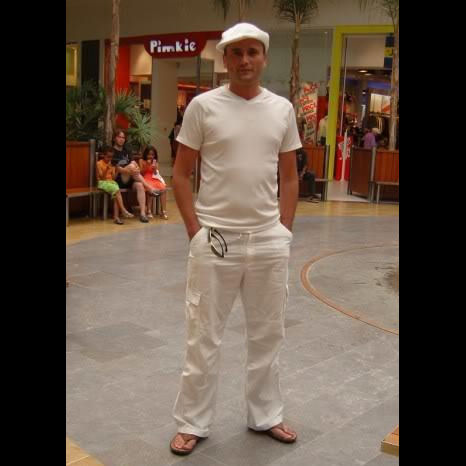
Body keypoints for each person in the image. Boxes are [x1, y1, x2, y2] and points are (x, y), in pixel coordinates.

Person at [170, 22, 300, 456]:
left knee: (268, 334)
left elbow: (289, 176)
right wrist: (196, 232)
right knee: (203, 336)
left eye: (252, 52)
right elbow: (181, 174)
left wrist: (283, 230)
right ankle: (192, 422)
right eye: (236, 53)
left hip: (267, 240)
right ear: (225, 59)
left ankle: (266, 414)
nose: (245, 60)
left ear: (263, 57)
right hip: (214, 239)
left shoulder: (281, 109)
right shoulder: (203, 107)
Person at [111, 129, 157, 223]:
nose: (121, 139)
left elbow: (133, 162)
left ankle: (142, 214)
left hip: (131, 177)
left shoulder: (126, 151)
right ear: (115, 138)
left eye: (123, 137)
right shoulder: (112, 151)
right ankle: (149, 187)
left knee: (139, 185)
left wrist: (135, 168)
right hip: (119, 178)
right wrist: (129, 170)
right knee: (132, 166)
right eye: (119, 137)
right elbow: (117, 169)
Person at [96, 146, 134, 224]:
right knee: (116, 190)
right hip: (102, 182)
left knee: (116, 193)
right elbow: (102, 177)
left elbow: (113, 178)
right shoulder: (99, 163)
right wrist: (107, 169)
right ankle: (123, 210)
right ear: (103, 155)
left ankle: (117, 217)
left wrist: (117, 170)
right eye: (108, 157)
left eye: (111, 157)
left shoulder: (112, 164)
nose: (109, 159)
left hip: (111, 183)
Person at [139, 145, 169, 219]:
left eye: (152, 154)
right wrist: (147, 165)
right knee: (150, 188)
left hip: (154, 178)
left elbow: (156, 173)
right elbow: (141, 173)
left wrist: (155, 168)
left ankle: (163, 211)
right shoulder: (141, 161)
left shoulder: (155, 162)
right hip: (145, 178)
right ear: (146, 154)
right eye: (149, 154)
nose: (151, 156)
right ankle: (149, 210)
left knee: (163, 188)